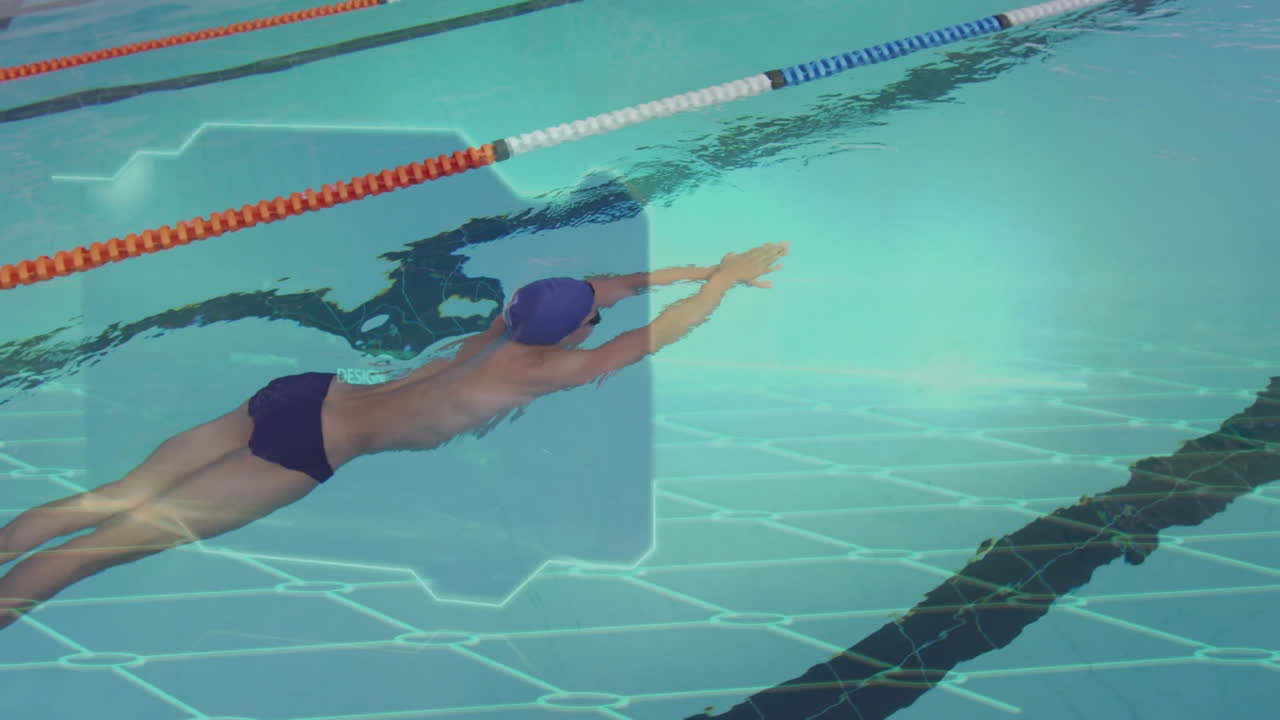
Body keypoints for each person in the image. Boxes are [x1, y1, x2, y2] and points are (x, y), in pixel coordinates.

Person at [0, 241, 788, 629]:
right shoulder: (546, 372)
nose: (602, 311)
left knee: (107, 500)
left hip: (301, 395)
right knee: (92, 553)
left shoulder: (505, 326)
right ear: (574, 332)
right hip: (308, 452)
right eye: (593, 317)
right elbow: (656, 335)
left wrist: (685, 270)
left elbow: (601, 288)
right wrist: (719, 280)